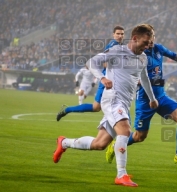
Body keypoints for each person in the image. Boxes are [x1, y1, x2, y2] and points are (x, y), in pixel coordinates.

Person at [53, 24, 158, 187]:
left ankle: (64, 142)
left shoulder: (143, 58)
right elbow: (91, 62)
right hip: (112, 99)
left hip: (124, 102)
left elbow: (144, 78)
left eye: (150, 42)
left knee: (100, 144)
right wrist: (102, 78)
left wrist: (152, 98)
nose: (148, 45)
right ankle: (121, 175)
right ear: (135, 38)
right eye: (145, 42)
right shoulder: (117, 51)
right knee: (125, 130)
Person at [105, 25, 177, 168]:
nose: (150, 41)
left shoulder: (158, 49)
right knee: (140, 137)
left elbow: (173, 55)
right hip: (145, 101)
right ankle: (117, 143)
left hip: (161, 97)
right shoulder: (137, 54)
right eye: (147, 38)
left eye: (152, 37)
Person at [56, 26, 125, 121]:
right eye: (118, 33)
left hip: (113, 80)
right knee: (98, 107)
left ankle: (67, 110)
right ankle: (67, 109)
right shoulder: (113, 45)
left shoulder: (121, 46)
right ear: (113, 34)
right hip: (107, 80)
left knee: (97, 107)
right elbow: (105, 63)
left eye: (122, 34)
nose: (120, 36)